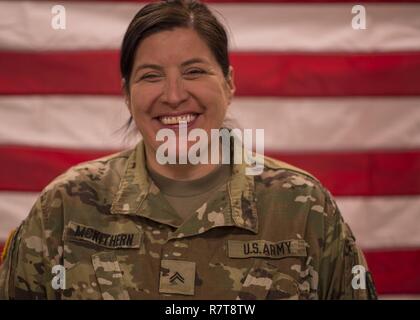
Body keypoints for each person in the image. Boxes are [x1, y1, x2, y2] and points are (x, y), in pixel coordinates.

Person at [0, 0, 377, 300]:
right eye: (151, 76)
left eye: (194, 71)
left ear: (229, 83)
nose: (175, 95)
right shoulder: (65, 206)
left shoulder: (303, 207)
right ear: (126, 95)